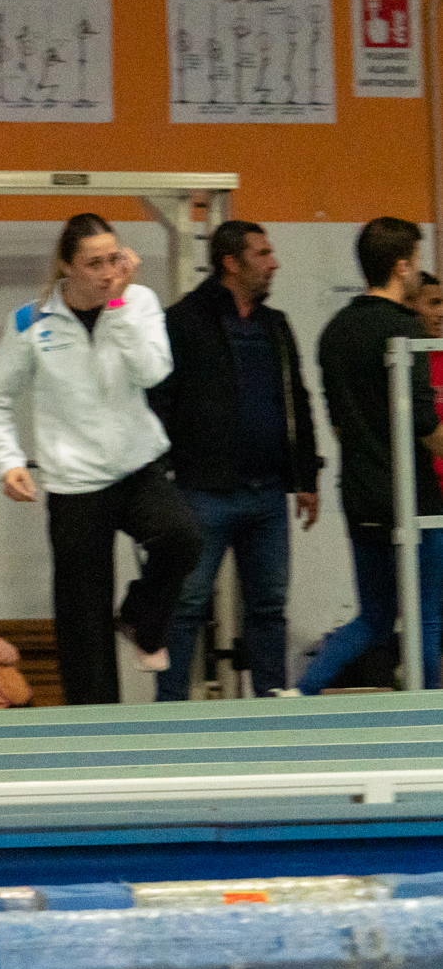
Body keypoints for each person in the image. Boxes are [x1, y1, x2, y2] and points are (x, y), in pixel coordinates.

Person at [0, 214, 200, 705]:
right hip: (75, 485)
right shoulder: (31, 321)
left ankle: (141, 618)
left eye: (113, 260)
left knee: (183, 539)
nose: (106, 272)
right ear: (67, 267)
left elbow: (153, 372)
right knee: (83, 622)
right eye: (94, 264)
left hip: (137, 468)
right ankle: (94, 724)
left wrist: (118, 305)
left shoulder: (137, 302)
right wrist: (8, 461)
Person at [148, 219, 321, 700]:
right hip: (202, 492)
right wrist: (159, 482)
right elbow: (158, 403)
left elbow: (297, 402)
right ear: (231, 263)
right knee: (186, 606)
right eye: (262, 254)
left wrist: (306, 477)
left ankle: (270, 708)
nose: (274, 264)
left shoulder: (275, 325)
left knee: (268, 609)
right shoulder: (183, 322)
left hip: (268, 493)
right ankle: (168, 711)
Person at [301, 217, 443, 694]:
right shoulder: (404, 328)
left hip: (361, 492)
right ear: (402, 267)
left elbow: (338, 423)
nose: (419, 272)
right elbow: (424, 424)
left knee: (376, 617)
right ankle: (428, 716)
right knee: (427, 616)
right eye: (417, 262)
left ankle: (303, 690)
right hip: (412, 495)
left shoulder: (335, 331)